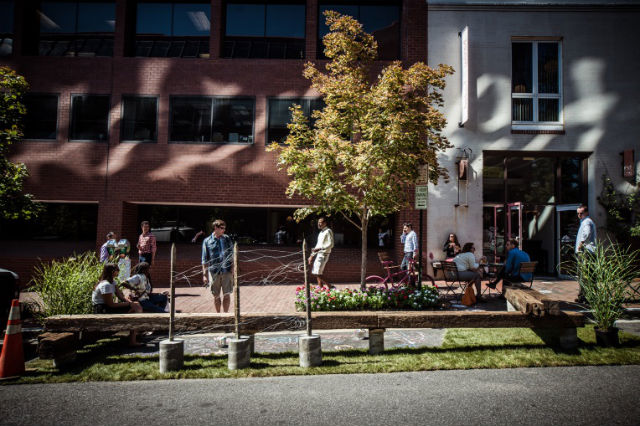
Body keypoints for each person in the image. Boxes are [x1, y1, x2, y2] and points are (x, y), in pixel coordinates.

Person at [91, 263, 142, 346]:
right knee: (136, 308)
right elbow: (110, 304)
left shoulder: (112, 282)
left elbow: (120, 296)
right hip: (102, 309)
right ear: (112, 271)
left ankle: (133, 334)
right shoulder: (106, 285)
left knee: (136, 305)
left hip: (107, 307)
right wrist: (129, 304)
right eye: (117, 270)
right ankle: (133, 339)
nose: (118, 271)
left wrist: (130, 302)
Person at [202, 219, 233, 313]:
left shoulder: (227, 239)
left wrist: (233, 268)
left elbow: (232, 254)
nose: (224, 230)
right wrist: (204, 275)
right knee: (216, 296)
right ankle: (218, 316)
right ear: (216, 228)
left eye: (224, 228)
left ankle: (226, 315)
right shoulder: (207, 241)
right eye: (222, 228)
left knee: (227, 295)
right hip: (214, 272)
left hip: (226, 271)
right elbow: (204, 259)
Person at [575, 205, 597, 302]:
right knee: (584, 275)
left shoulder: (587, 222)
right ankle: (583, 296)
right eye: (578, 213)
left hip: (587, 252)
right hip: (587, 252)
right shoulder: (584, 221)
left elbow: (586, 233)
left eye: (581, 213)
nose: (579, 215)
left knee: (585, 275)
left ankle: (586, 297)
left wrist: (580, 244)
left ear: (586, 213)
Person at [308, 217, 334, 288]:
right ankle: (321, 289)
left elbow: (331, 244)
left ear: (325, 223)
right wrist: (311, 256)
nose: (319, 224)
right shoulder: (321, 232)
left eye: (321, 222)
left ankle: (330, 287)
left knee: (317, 273)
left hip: (324, 254)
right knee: (316, 272)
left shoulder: (328, 231)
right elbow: (317, 245)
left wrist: (320, 248)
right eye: (318, 222)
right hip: (319, 254)